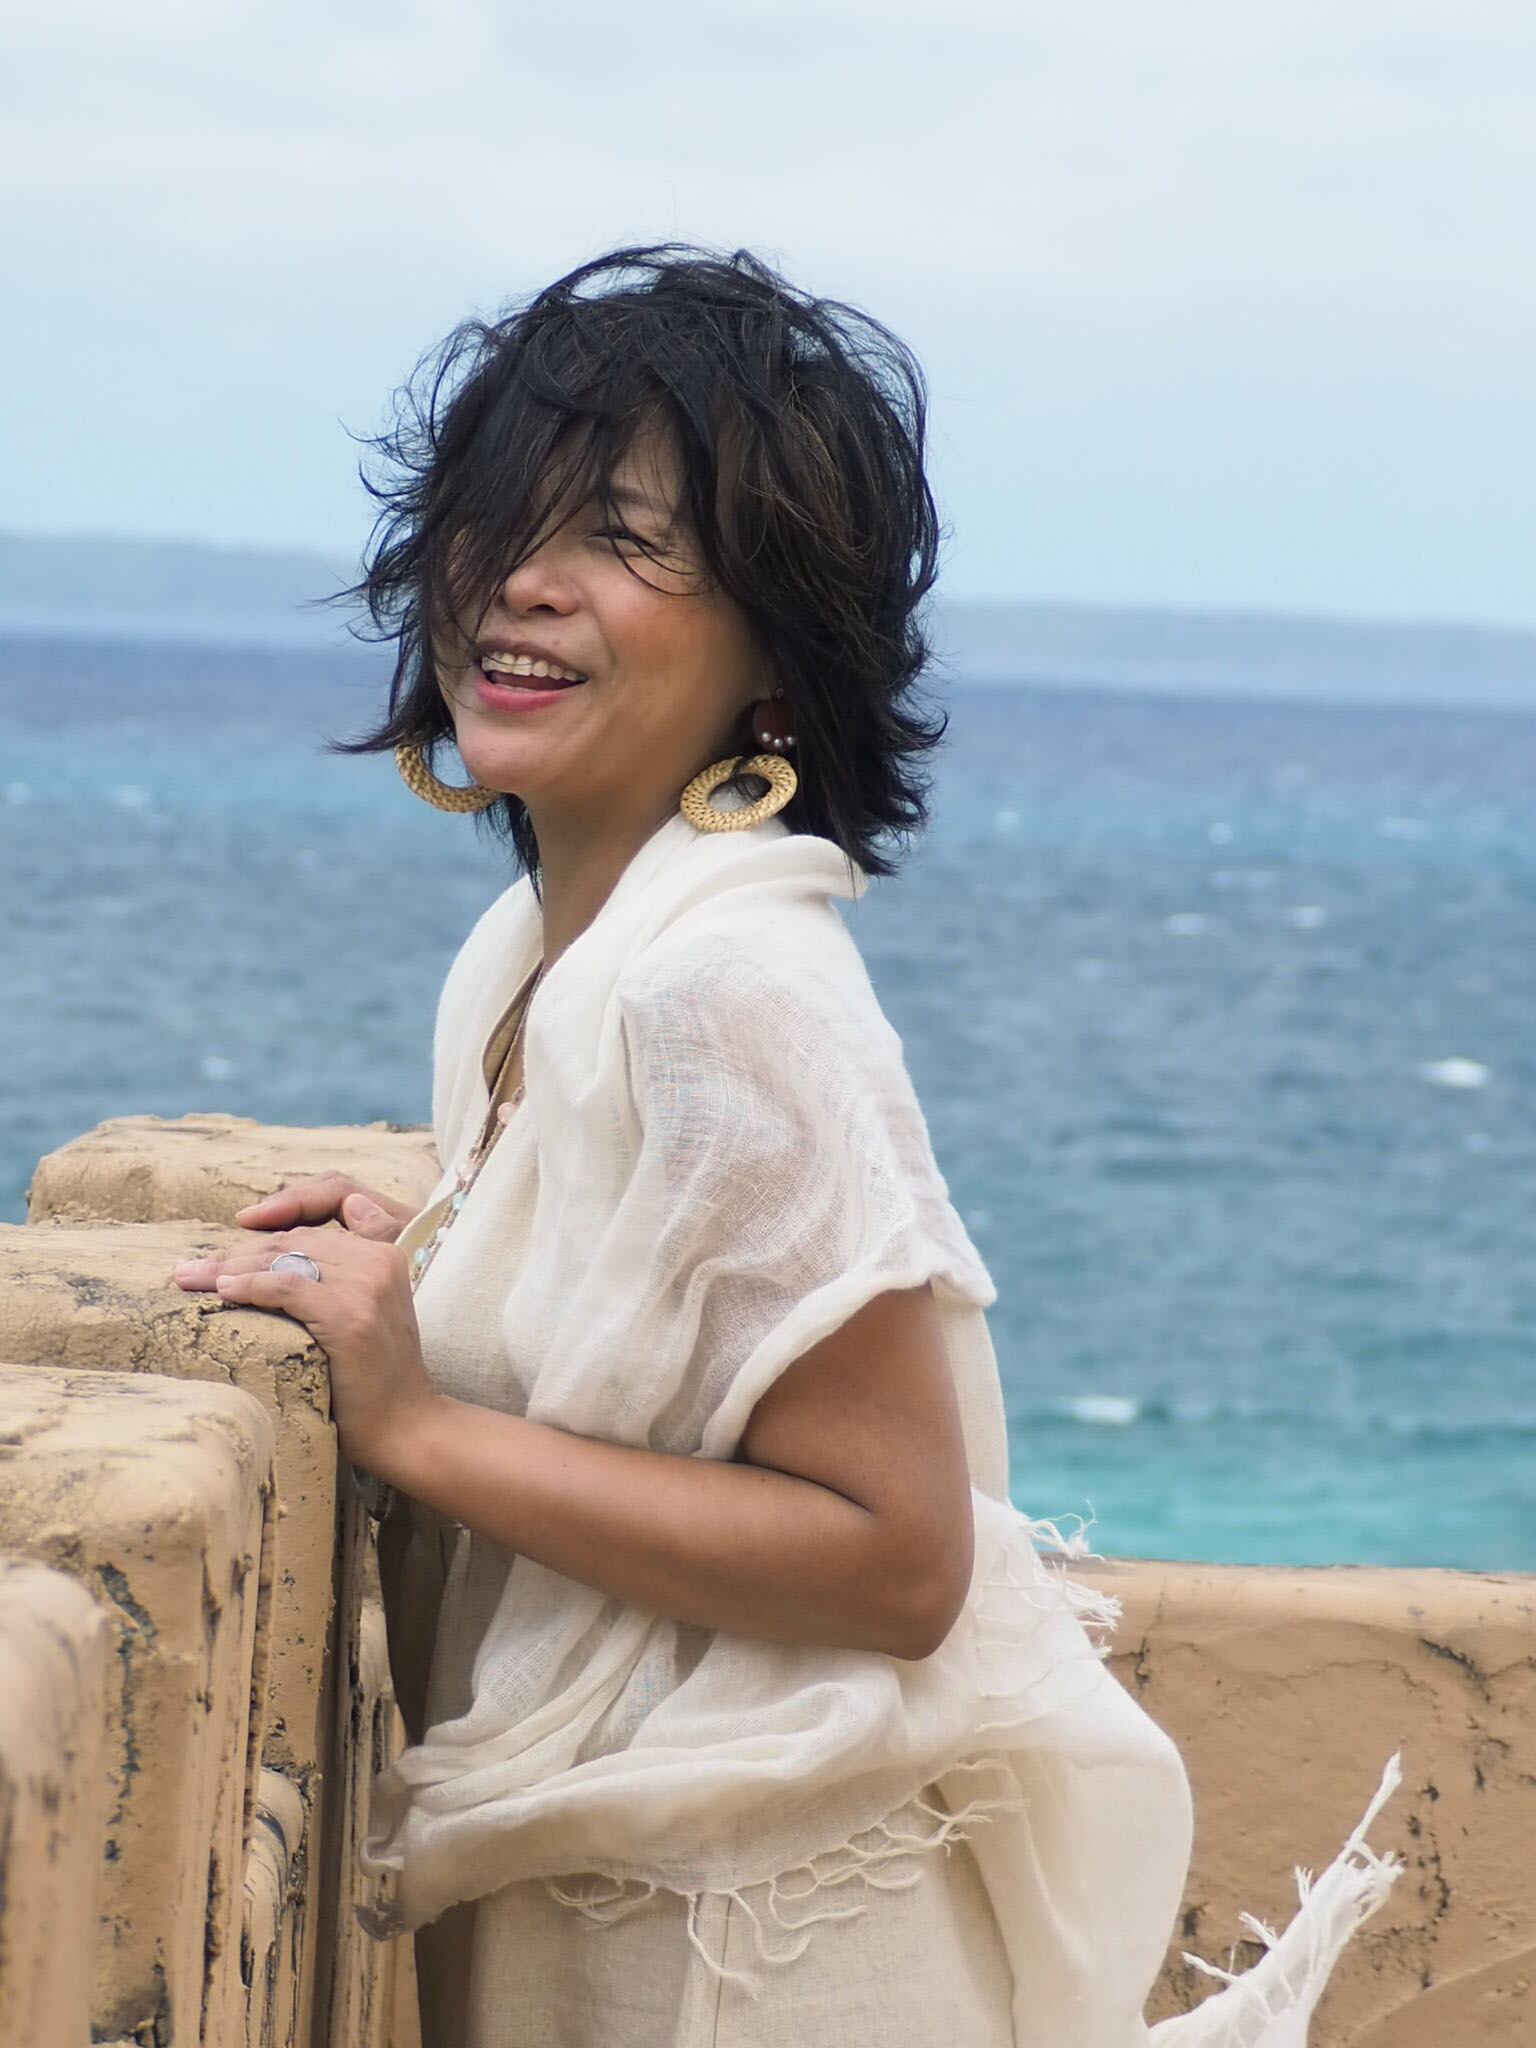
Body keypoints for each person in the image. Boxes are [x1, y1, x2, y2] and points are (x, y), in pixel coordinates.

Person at [172, 244, 1401, 2047]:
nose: (521, 579)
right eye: (499, 517)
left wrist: (419, 1424)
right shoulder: (540, 960)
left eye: (625, 539)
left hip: (752, 1958)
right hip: (630, 1913)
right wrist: (433, 1256)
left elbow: (896, 1560)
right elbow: (651, 1361)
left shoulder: (722, 988)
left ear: (775, 656)